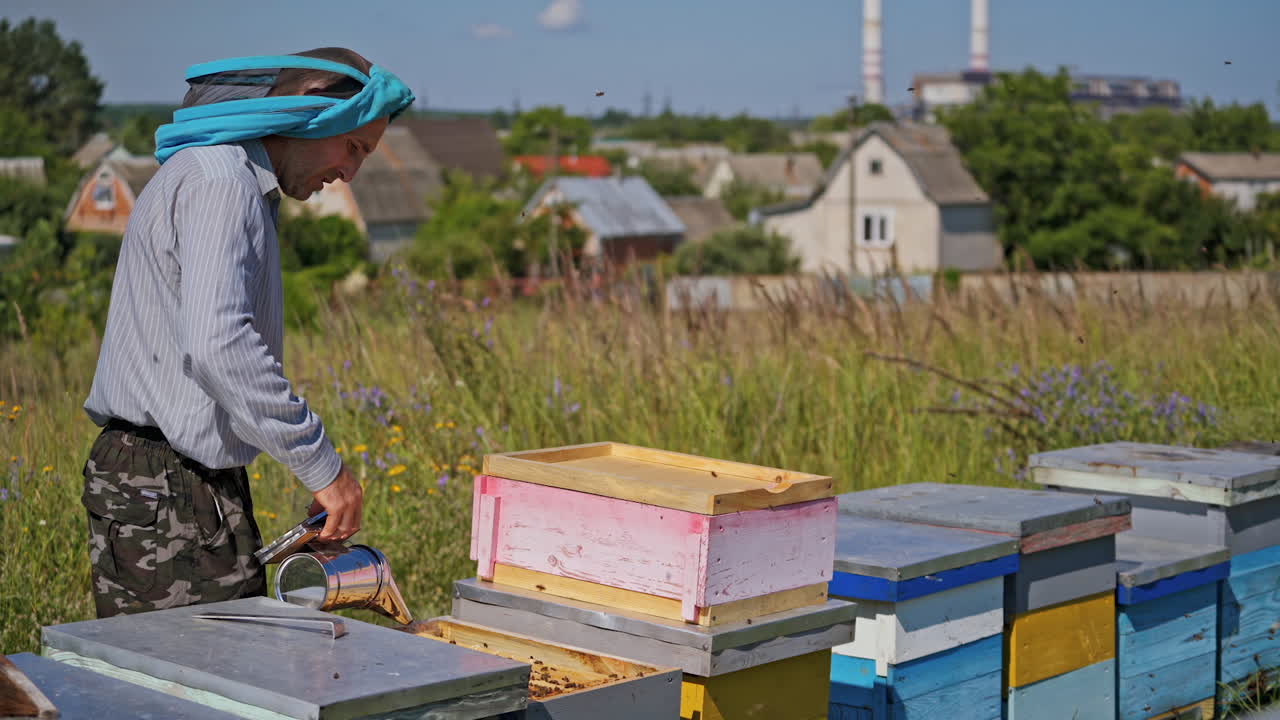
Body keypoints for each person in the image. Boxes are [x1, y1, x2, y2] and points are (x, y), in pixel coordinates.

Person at [79, 47, 414, 618]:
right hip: (168, 482)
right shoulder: (221, 183)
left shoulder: (231, 181)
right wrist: (322, 467)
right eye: (352, 146)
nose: (349, 172)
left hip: (177, 478)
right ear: (309, 118)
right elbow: (220, 342)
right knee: (198, 691)